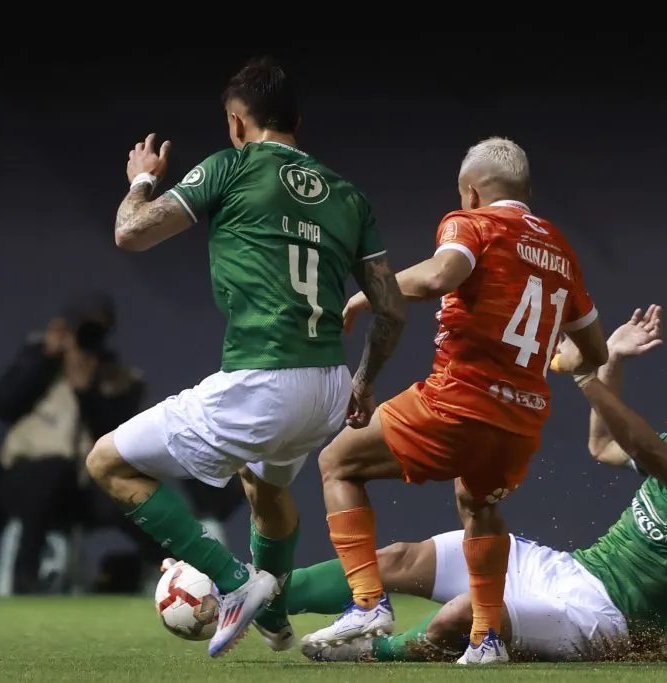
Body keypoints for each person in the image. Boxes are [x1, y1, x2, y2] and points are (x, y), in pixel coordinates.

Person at [83, 56, 406, 657]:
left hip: (265, 381)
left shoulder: (230, 168)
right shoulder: (347, 195)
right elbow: (391, 310)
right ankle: (276, 613)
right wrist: (363, 382)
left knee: (107, 463)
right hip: (328, 388)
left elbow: (131, 231)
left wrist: (141, 180)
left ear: (236, 123)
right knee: (264, 487)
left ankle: (233, 584)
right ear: (298, 121)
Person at [283, 307, 667, 663]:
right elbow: (602, 445)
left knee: (463, 613)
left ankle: (372, 654)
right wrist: (610, 359)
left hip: (607, 620)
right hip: (572, 571)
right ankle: (251, 595)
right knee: (395, 558)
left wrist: (586, 379)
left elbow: (645, 449)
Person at [301, 137, 608, 665]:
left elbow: (443, 275)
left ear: (471, 192)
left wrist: (367, 293)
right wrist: (545, 363)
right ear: (526, 191)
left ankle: (368, 603)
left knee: (337, 462)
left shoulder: (472, 223)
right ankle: (486, 638)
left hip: (460, 401)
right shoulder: (560, 249)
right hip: (522, 421)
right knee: (477, 503)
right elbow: (595, 351)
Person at [0, 293, 160, 593]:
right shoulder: (38, 360)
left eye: (98, 330)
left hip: (83, 488)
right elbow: (4, 405)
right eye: (82, 327)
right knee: (53, 470)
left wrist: (86, 389)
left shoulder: (119, 378)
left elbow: (116, 434)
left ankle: (170, 572)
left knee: (131, 491)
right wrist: (45, 358)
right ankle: (25, 580)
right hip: (25, 481)